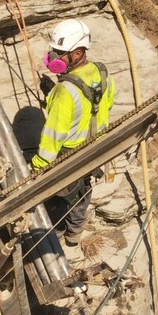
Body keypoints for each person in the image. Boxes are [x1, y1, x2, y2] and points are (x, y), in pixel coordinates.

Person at [32, 18, 117, 247]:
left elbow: (54, 133)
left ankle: (58, 233)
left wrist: (39, 166)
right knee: (83, 187)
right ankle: (75, 232)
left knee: (61, 195)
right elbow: (104, 105)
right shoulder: (102, 73)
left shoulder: (65, 90)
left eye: (60, 53)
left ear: (77, 53)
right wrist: (54, 92)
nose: (54, 57)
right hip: (96, 146)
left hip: (69, 152)